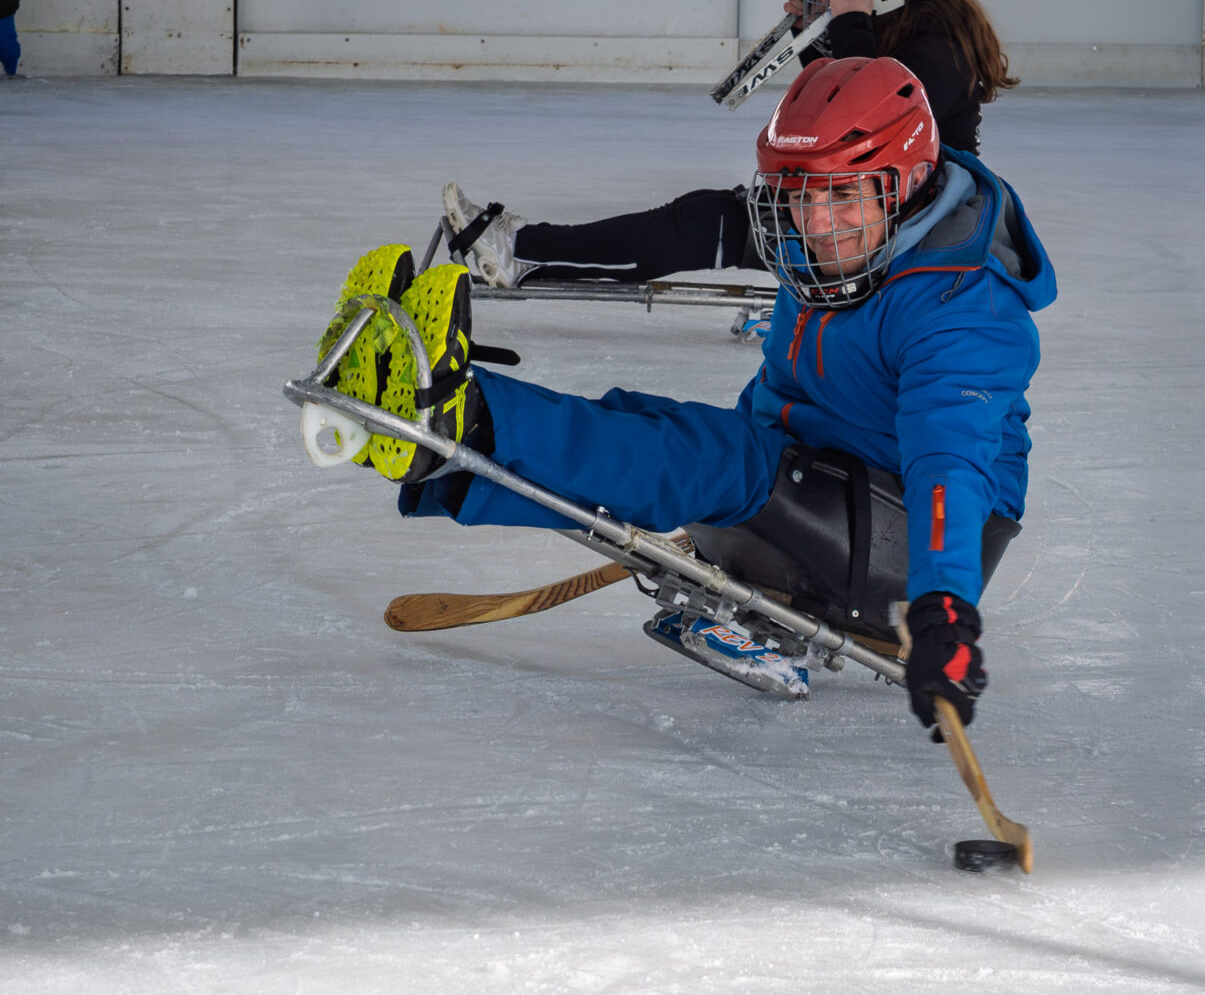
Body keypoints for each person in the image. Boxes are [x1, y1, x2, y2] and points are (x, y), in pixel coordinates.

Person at [318, 55, 1056, 735]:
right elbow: (715, 270)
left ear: (908, 182)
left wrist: (943, 609)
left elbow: (950, 466)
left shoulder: (965, 312)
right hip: (830, 479)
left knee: (700, 459)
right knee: (650, 432)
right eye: (799, 198)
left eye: (840, 198)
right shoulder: (845, 238)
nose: (813, 224)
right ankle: (445, 448)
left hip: (907, 548)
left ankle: (461, 422)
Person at [440, 0, 1018, 289]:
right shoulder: (911, 25)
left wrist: (848, 25)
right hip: (868, 204)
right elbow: (834, 105)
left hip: (905, 227)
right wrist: (814, 32)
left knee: (703, 224)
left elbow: (862, 112)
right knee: (706, 219)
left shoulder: (939, 48)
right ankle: (528, 247)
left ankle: (521, 252)